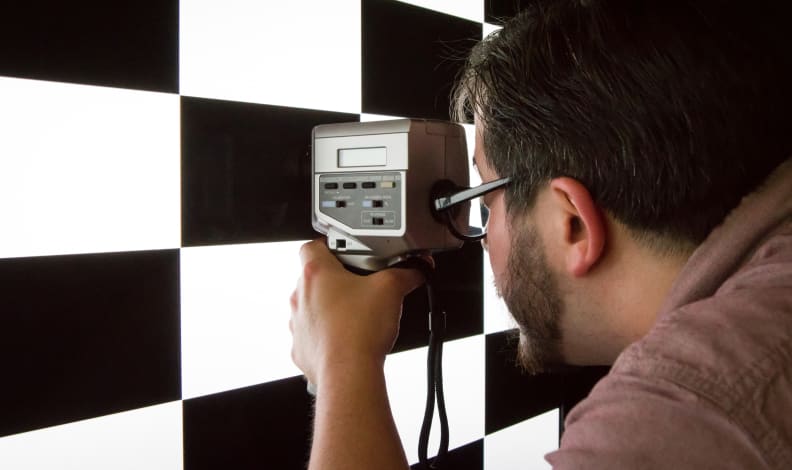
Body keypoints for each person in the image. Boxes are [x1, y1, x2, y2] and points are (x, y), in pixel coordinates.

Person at [289, 0, 792, 468]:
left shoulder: (685, 415)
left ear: (570, 221)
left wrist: (343, 362)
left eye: (487, 201)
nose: (483, 238)